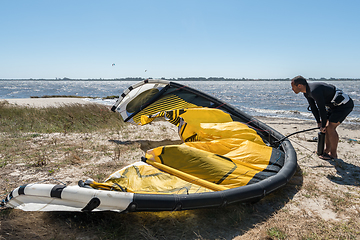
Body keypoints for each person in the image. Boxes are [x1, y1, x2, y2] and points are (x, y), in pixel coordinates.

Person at [291, 76, 354, 160]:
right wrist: (319, 122)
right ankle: (327, 150)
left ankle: (333, 154)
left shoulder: (314, 90)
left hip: (344, 105)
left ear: (299, 85)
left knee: (330, 128)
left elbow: (321, 108)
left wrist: (323, 124)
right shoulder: (306, 93)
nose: (292, 89)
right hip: (333, 106)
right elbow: (313, 108)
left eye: (293, 86)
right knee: (326, 128)